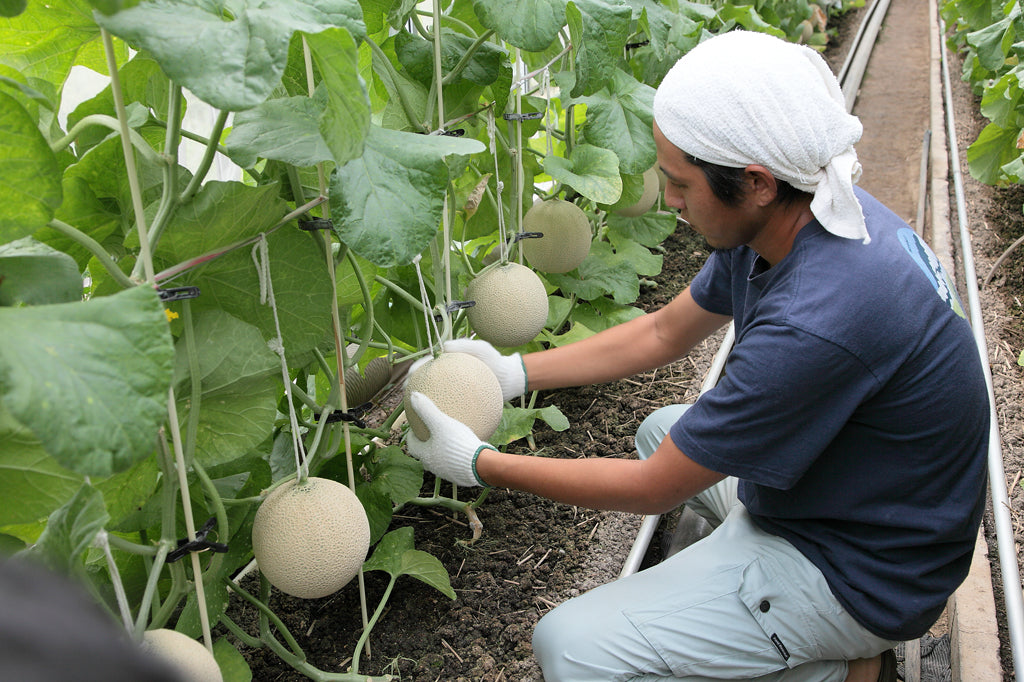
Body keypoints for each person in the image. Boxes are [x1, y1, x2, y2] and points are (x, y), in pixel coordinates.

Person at [405, 30, 989, 682]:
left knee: (567, 644)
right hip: (862, 497)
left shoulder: (812, 323)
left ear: (756, 182)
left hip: (865, 573)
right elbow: (662, 334)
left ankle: (839, 667)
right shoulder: (803, 214)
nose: (670, 200)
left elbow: (654, 490)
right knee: (663, 429)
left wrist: (480, 463)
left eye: (680, 183)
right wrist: (511, 373)